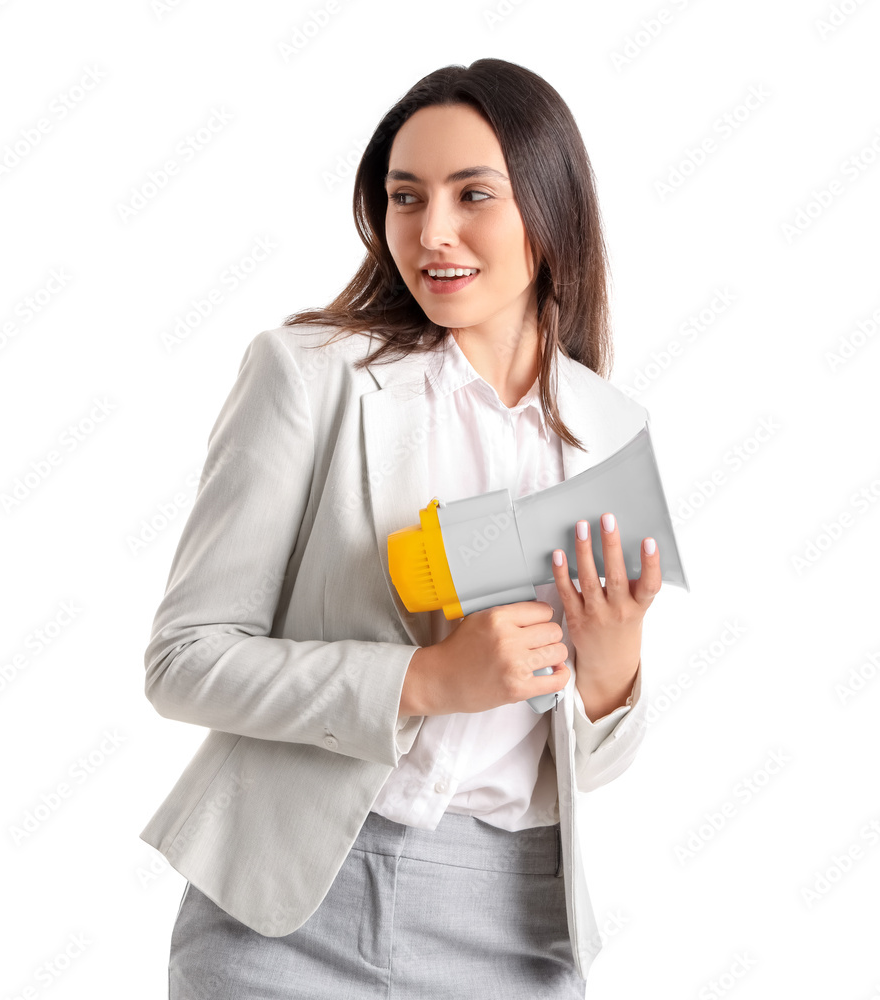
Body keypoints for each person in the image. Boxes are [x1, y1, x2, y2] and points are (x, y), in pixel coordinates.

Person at [141, 57, 664, 998]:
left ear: (551, 209)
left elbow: (599, 763)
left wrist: (613, 664)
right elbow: (183, 659)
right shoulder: (309, 377)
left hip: (510, 923)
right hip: (285, 910)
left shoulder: (609, 428)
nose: (433, 233)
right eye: (405, 196)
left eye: (475, 195)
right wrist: (426, 680)